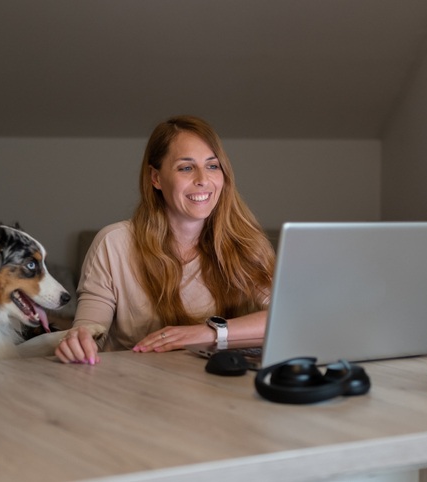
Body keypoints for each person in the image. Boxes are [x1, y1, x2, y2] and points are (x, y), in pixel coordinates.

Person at [55, 115, 275, 364]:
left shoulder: (245, 243)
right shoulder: (113, 243)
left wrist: (206, 333)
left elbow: (289, 317)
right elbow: (89, 330)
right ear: (156, 178)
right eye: (186, 167)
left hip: (216, 389)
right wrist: (78, 343)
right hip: (134, 391)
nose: (203, 179)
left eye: (213, 166)